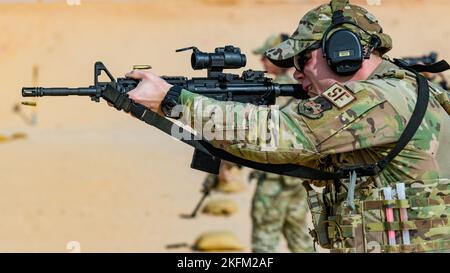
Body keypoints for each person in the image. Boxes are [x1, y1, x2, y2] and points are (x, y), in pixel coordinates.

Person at [124, 0, 449, 253]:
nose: (296, 74)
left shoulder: (378, 98)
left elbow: (276, 134)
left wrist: (173, 99)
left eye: (302, 61)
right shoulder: (406, 88)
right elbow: (283, 153)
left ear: (343, 52)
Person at [250, 33, 313, 253]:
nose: (263, 62)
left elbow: (254, 132)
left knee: (265, 235)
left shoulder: (269, 90)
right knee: (298, 234)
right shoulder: (301, 88)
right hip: (297, 175)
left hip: (274, 177)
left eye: (267, 57)